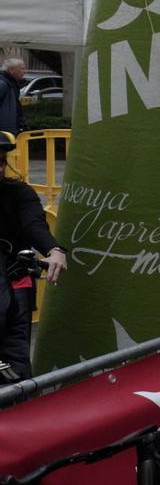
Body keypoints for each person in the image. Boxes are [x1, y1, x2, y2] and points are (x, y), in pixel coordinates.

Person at [0, 131, 64, 383]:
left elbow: (34, 225)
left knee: (14, 371)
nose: (0, 168)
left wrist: (54, 250)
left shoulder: (19, 193)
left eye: (2, 161)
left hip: (14, 290)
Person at [0, 56, 25, 135]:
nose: (25, 71)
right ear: (11, 70)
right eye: (22, 69)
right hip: (3, 134)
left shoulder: (11, 83)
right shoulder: (3, 83)